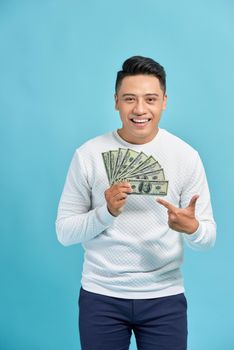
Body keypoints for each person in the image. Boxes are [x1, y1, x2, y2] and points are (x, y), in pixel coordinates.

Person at [55, 56, 216, 350]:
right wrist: (106, 213)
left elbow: (207, 239)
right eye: (130, 99)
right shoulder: (88, 155)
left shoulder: (186, 156)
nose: (140, 109)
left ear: (164, 102)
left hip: (164, 297)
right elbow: (64, 233)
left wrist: (193, 228)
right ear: (116, 101)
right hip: (100, 296)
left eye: (150, 99)